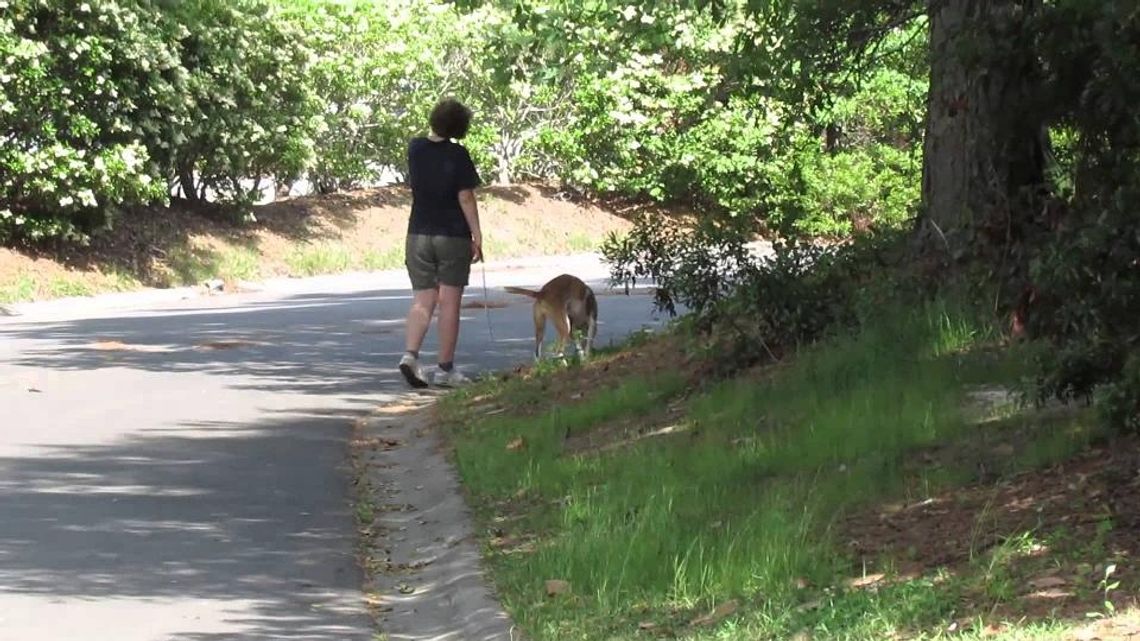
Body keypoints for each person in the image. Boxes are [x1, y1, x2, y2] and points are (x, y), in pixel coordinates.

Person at [398, 98, 483, 388]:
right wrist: (477, 235)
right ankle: (445, 369)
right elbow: (466, 197)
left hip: (418, 234)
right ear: (460, 126)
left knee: (423, 300)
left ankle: (410, 356)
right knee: (449, 303)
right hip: (452, 236)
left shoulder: (415, 148)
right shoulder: (458, 155)